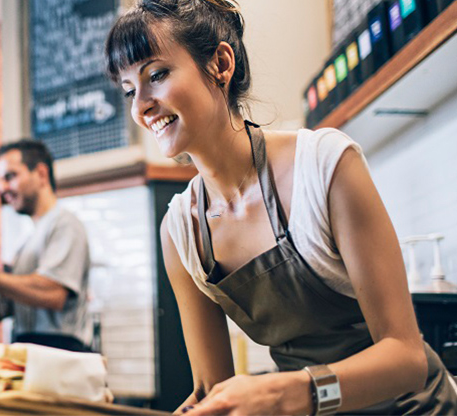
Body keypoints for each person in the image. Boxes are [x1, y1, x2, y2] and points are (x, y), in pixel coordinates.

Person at [104, 0, 457, 414]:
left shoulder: (323, 166)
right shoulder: (181, 232)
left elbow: (407, 361)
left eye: (156, 75)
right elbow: (211, 392)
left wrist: (283, 393)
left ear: (220, 63)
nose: (140, 106)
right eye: (129, 90)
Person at [0, 139, 92, 353]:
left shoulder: (65, 223)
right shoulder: (27, 240)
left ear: (41, 173)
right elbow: (5, 307)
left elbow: (53, 292)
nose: (3, 188)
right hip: (29, 346)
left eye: (10, 177)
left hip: (60, 351)